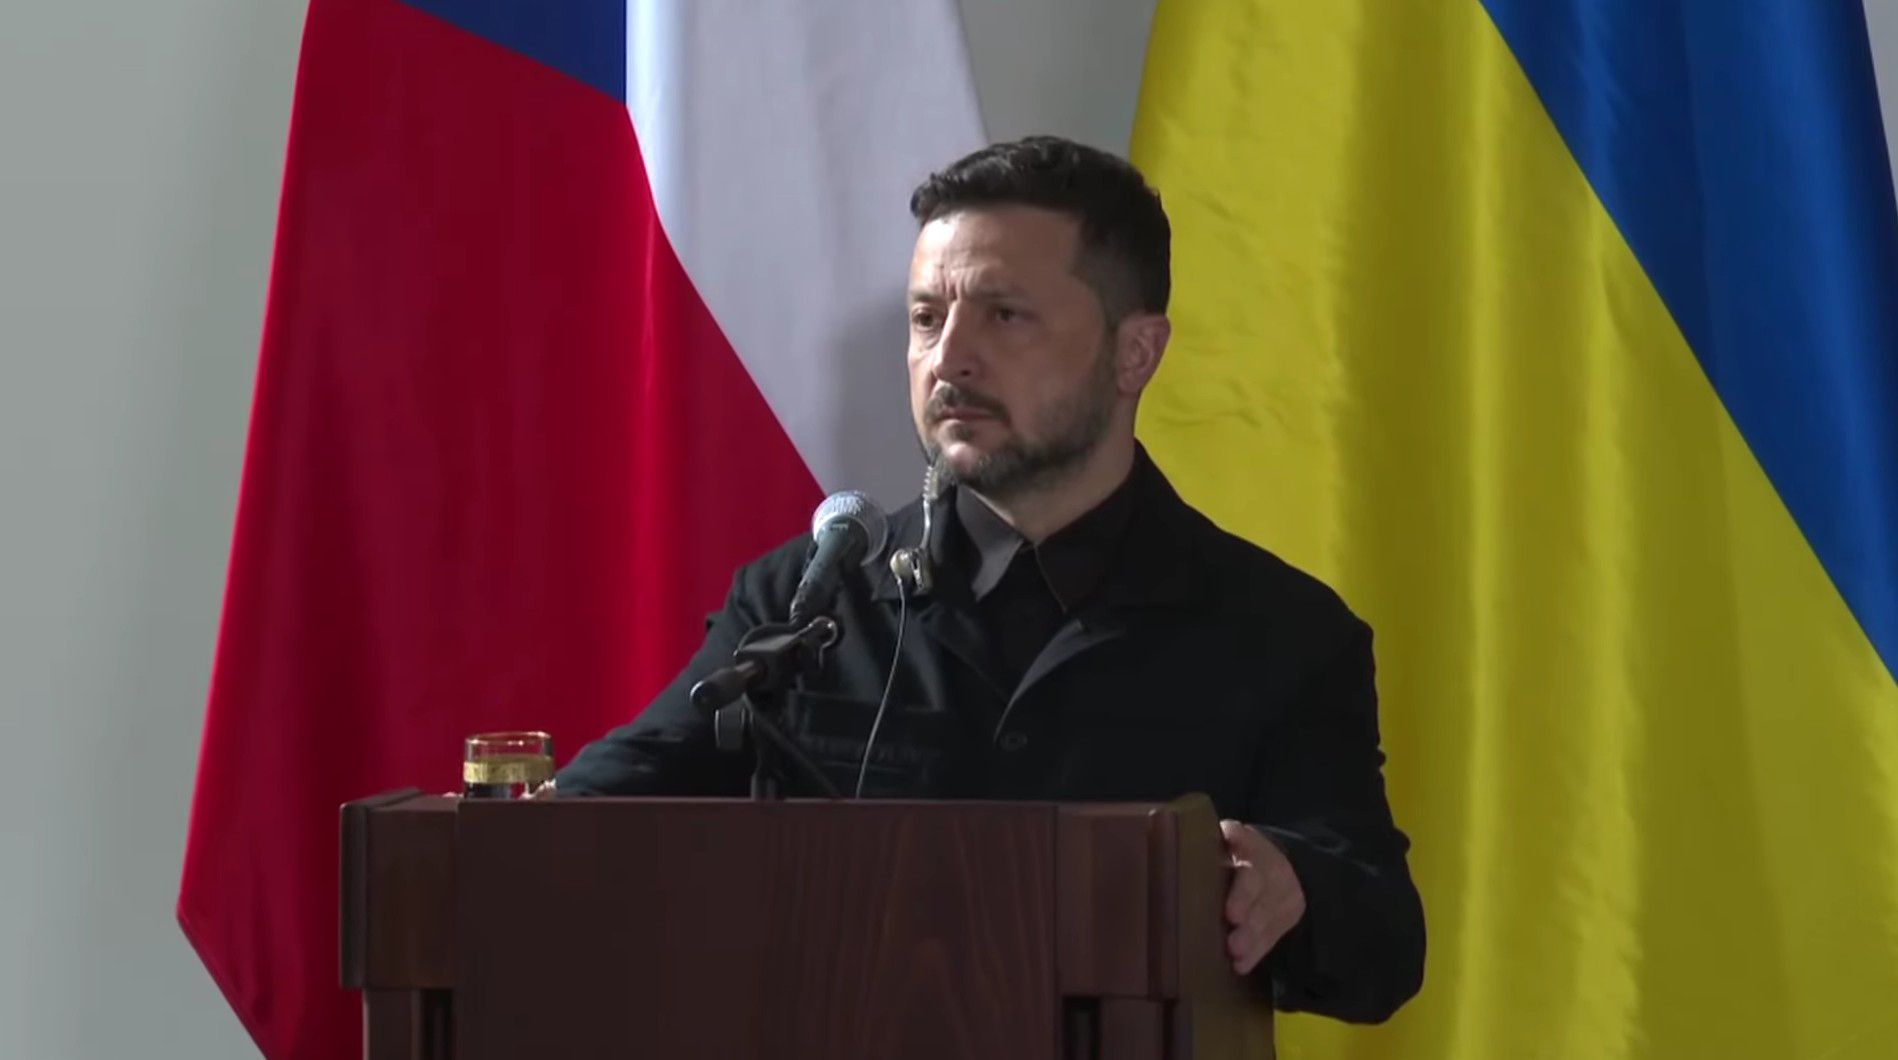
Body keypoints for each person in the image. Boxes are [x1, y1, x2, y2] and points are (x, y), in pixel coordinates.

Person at [556, 135, 1425, 1023]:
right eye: (926, 318)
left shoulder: (1279, 631)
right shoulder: (805, 601)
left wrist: (1294, 884)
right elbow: (581, 821)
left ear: (1135, 354)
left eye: (1005, 316)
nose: (950, 358)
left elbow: (1385, 944)